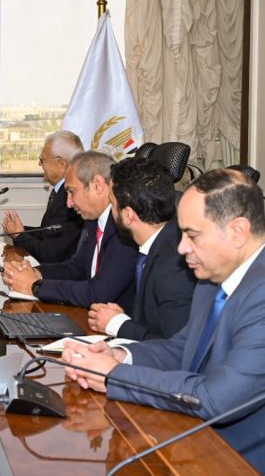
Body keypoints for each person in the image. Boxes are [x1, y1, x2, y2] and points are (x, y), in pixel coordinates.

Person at [62, 169, 265, 472]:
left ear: (238, 231)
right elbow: (183, 348)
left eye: (192, 235)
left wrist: (114, 376)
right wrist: (121, 355)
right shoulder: (214, 275)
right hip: (193, 440)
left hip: (238, 460)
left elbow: (216, 399)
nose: (181, 248)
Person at [2, 151, 139, 308]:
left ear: (97, 185)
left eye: (72, 192)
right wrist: (33, 273)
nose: (69, 203)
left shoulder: (124, 227)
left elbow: (98, 294)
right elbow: (77, 268)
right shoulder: (93, 219)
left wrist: (36, 286)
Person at [87, 157, 196, 340]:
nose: (111, 211)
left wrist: (119, 325)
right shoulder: (158, 243)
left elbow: (176, 346)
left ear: (128, 215)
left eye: (112, 204)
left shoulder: (175, 265)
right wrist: (123, 318)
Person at [2, 130, 84, 262]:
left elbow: (50, 254)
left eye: (42, 160)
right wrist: (20, 231)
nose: (39, 164)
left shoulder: (70, 200)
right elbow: (47, 233)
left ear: (62, 164)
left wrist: (20, 235)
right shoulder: (61, 192)